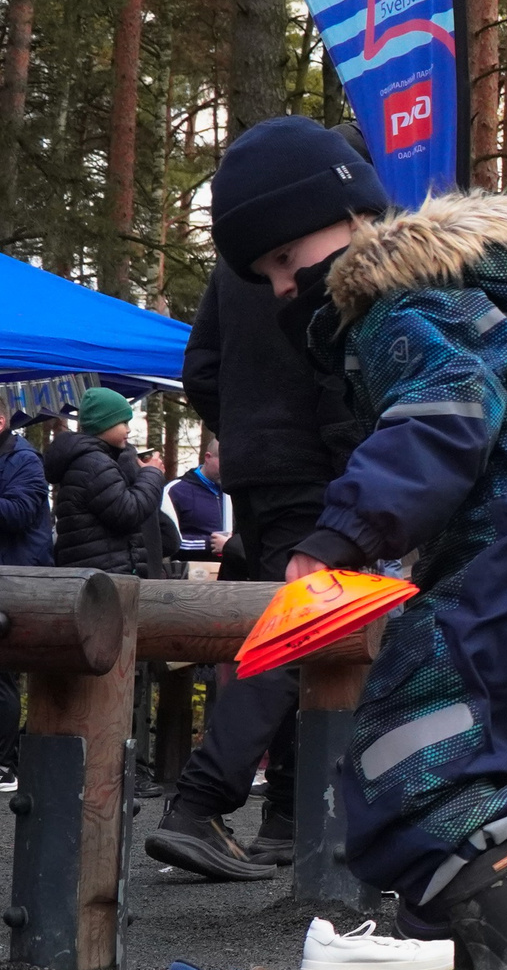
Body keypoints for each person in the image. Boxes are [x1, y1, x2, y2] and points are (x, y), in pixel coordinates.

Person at [210, 112, 507, 970]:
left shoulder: (407, 311)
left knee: (412, 752)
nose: (285, 289)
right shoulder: (468, 304)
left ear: (359, 218)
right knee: (494, 784)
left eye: (290, 255)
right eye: (267, 278)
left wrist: (342, 539)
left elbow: (438, 423)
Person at [154, 192, 372, 882]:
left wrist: (247, 433)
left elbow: (202, 370)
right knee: (298, 626)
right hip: (320, 462)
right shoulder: (341, 250)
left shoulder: (240, 257)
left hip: (251, 473)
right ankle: (199, 802)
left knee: (287, 622)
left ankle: (285, 812)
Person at [45, 389, 165, 580]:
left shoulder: (89, 460)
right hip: (104, 577)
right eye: (123, 422)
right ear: (104, 424)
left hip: (97, 571)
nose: (128, 429)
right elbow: (128, 512)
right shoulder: (95, 464)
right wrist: (152, 473)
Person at [0, 415, 52, 794]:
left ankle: (4, 763)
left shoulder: (25, 459)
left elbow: (19, 513)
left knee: (2, 672)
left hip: (18, 579)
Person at [166, 436, 228, 565]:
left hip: (234, 577)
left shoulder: (236, 493)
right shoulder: (175, 490)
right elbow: (166, 539)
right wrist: (210, 543)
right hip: (190, 576)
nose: (228, 468)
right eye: (223, 461)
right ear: (208, 457)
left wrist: (233, 544)